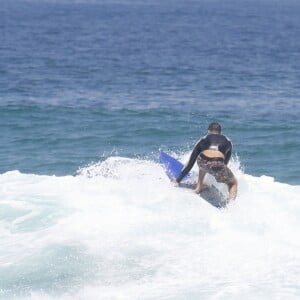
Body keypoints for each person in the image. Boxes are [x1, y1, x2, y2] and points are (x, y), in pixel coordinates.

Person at [172, 122, 238, 202]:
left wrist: (177, 180)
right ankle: (231, 204)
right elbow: (224, 164)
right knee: (233, 183)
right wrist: (218, 176)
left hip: (202, 161)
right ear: (221, 132)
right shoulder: (228, 141)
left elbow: (190, 163)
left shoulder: (203, 139)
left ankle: (198, 188)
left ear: (208, 131)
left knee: (203, 161)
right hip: (217, 164)